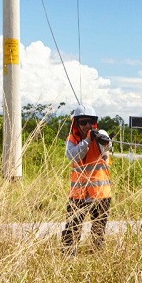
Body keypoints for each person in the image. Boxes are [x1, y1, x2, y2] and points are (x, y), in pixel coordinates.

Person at [62, 104, 112, 255]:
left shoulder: (100, 134)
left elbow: (108, 146)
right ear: (76, 123)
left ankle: (97, 257)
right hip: (78, 194)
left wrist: (101, 139)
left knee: (98, 231)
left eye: (90, 122)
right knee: (72, 229)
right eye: (83, 122)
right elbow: (74, 156)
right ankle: (68, 258)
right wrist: (87, 141)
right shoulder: (71, 140)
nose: (87, 125)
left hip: (100, 193)